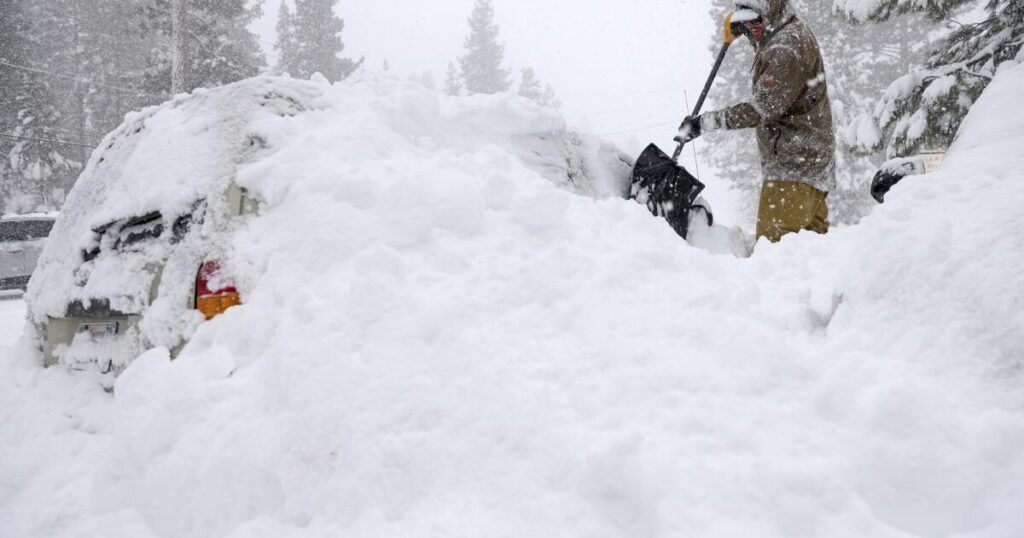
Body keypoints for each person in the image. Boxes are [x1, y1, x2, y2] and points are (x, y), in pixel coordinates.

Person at [677, 0, 835, 243]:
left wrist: (704, 123)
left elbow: (759, 109)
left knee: (775, 256)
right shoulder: (788, 33)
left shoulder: (786, 48)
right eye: (745, 23)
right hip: (810, 168)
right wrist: (751, 35)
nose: (751, 28)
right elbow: (771, 52)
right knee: (809, 258)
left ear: (769, 11)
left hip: (792, 172)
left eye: (755, 21)